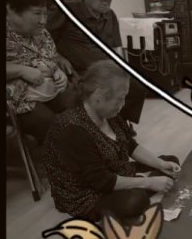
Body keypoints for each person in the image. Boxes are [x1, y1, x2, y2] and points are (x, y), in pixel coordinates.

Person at [43, 60, 181, 225]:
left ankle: (140, 185)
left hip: (113, 170)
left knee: (169, 162)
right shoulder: (72, 128)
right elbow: (102, 181)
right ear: (98, 96)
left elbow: (130, 145)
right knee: (135, 201)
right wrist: (148, 182)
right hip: (88, 193)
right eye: (119, 99)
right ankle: (139, 187)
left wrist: (160, 164)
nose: (123, 105)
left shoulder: (108, 113)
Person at [46, 0, 146, 124]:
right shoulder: (66, 11)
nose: (107, 0)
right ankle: (107, 125)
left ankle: (120, 124)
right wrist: (58, 57)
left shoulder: (110, 15)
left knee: (138, 87)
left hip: (106, 71)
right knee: (101, 93)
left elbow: (116, 48)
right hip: (80, 73)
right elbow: (43, 39)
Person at [5, 0, 77, 144]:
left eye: (45, 13)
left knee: (79, 109)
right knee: (51, 125)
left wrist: (57, 71)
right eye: (37, 13)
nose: (43, 21)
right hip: (18, 101)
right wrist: (21, 70)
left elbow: (50, 58)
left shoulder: (41, 33)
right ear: (11, 11)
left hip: (48, 91)